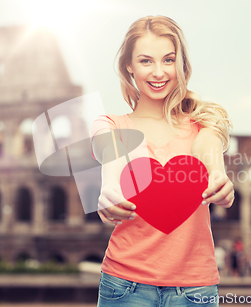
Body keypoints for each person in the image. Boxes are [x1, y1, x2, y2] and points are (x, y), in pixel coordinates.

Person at [90, 16, 234, 306]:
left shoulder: (203, 120)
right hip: (124, 285)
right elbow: (112, 153)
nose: (159, 72)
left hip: (195, 289)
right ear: (128, 66)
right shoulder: (110, 124)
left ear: (180, 64)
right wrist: (109, 189)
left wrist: (218, 175)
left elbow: (208, 147)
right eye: (146, 61)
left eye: (168, 60)